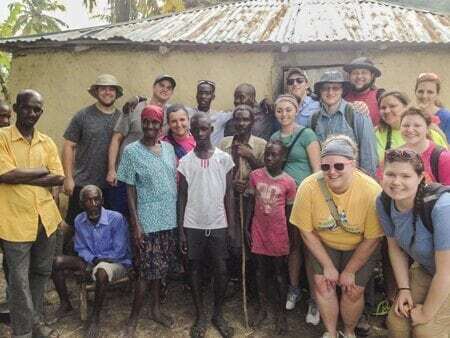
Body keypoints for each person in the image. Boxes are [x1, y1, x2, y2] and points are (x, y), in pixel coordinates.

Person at [290, 135, 383, 338]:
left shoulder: (371, 191)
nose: (332, 172)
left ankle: (348, 332)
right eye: (325, 167)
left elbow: (372, 238)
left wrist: (350, 270)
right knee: (323, 285)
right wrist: (328, 266)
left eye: (339, 166)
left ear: (353, 164)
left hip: (359, 245)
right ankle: (330, 332)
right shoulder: (308, 187)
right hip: (324, 243)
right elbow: (306, 232)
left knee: (353, 290)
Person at [0, 89, 65, 338]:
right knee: (18, 282)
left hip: (45, 220)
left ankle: (36, 325)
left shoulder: (46, 141)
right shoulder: (2, 137)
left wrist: (20, 174)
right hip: (14, 222)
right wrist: (40, 171)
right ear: (16, 108)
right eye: (26, 107)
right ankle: (24, 332)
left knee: (40, 275)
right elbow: (5, 174)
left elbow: (58, 175)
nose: (31, 113)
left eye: (37, 109)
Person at [118, 105, 178, 336]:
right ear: (141, 123)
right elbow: (129, 189)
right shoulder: (132, 151)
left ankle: (155, 310)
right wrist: (136, 224)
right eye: (147, 122)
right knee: (145, 272)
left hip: (168, 218)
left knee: (159, 270)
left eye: (155, 122)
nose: (151, 127)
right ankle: (132, 319)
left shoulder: (169, 149)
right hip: (147, 220)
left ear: (161, 124)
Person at [377, 149, 450, 338]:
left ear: (421, 177)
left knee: (425, 331)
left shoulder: (442, 207)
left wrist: (426, 313)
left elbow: (445, 272)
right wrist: (404, 289)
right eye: (390, 174)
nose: (396, 182)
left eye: (405, 176)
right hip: (426, 269)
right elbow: (395, 248)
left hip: (445, 273)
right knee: (397, 322)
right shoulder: (384, 201)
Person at [178, 112, 236, 338]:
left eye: (204, 129)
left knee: (221, 269)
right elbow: (181, 197)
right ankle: (201, 314)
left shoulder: (224, 159)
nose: (201, 133)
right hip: (193, 224)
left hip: (218, 223)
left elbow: (229, 194)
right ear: (191, 131)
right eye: (196, 130)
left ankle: (218, 313)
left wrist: (230, 226)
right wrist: (182, 231)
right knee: (195, 269)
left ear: (211, 130)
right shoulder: (185, 162)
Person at [52, 185, 132, 338]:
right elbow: (81, 248)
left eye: (96, 199)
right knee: (56, 261)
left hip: (116, 262)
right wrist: (92, 260)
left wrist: (97, 261)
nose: (93, 204)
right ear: (81, 204)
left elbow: (119, 251)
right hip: (92, 260)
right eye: (88, 201)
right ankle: (65, 303)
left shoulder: (116, 218)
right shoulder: (79, 220)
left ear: (102, 201)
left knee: (101, 271)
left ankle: (95, 317)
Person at [270, 94, 321, 319]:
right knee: (292, 247)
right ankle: (293, 289)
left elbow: (318, 170)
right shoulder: (274, 136)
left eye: (288, 110)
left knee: (311, 249)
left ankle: (315, 298)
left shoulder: (307, 134)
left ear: (297, 110)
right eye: (279, 110)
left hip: (305, 198)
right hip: (284, 201)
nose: (284, 114)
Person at [246, 140, 297, 335]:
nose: (269, 158)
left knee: (279, 274)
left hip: (279, 234)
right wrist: (246, 228)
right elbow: (251, 204)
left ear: (283, 157)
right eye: (267, 154)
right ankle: (261, 308)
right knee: (259, 271)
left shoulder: (289, 182)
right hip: (259, 231)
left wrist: (292, 239)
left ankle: (281, 314)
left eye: (274, 155)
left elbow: (290, 213)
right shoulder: (255, 176)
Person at [106, 74, 176, 214]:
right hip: (126, 176)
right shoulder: (135, 107)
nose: (164, 89)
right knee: (122, 217)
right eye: (161, 85)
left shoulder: (170, 114)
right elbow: (116, 138)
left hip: (151, 181)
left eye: (169, 88)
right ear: (153, 87)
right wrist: (111, 169)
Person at [63, 74, 123, 228]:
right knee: (75, 227)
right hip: (82, 183)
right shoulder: (83, 115)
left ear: (116, 93)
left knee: (105, 228)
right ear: (96, 92)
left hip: (109, 185)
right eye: (103, 88)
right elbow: (69, 145)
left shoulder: (122, 118)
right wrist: (68, 178)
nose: (107, 92)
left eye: (111, 89)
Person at [308, 70, 378, 177]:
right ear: (320, 91)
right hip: (326, 178)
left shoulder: (357, 113)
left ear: (342, 91)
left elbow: (369, 154)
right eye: (326, 88)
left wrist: (367, 182)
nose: (330, 92)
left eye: (335, 88)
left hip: (353, 180)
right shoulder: (313, 119)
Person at [376, 91, 447, 163]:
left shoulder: (431, 133)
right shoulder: (377, 134)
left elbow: (445, 161)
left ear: (406, 107)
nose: (387, 111)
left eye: (392, 106)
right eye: (383, 108)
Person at [400, 107, 450, 185]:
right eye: (406, 125)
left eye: (417, 125)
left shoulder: (442, 157)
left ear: (427, 129)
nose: (410, 130)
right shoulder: (394, 155)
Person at [187, 80, 231, 146]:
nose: (203, 96)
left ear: (213, 97)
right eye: (200, 93)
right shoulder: (187, 114)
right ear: (196, 95)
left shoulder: (220, 117)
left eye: (207, 93)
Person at [343, 57, 384, 126]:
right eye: (355, 73)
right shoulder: (342, 96)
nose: (359, 76)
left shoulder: (381, 96)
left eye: (364, 73)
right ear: (349, 76)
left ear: (372, 76)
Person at [415, 72, 450, 142]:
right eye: (420, 91)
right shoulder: (410, 115)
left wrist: (436, 129)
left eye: (430, 92)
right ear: (415, 92)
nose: (424, 96)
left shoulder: (446, 117)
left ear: (437, 94)